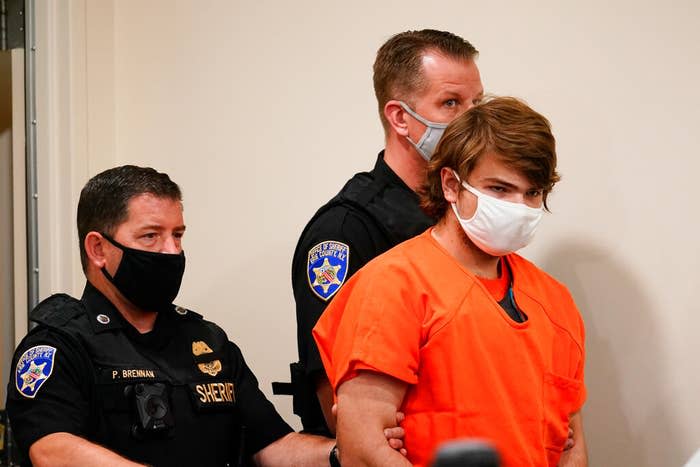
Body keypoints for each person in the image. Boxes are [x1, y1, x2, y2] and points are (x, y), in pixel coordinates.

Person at [5, 165, 403, 467]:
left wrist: (345, 452)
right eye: (150, 236)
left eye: (177, 234)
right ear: (97, 249)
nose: (171, 251)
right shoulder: (59, 345)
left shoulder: (206, 341)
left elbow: (272, 446)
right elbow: (51, 448)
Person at [313, 97, 588, 466]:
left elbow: (571, 446)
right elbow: (364, 450)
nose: (519, 207)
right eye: (500, 189)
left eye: (533, 193)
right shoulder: (393, 285)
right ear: (451, 185)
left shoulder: (555, 302)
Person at [288, 28, 483, 437]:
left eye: (476, 103)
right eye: (451, 103)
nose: (473, 121)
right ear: (400, 118)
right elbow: (335, 396)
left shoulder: (467, 214)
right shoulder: (346, 231)